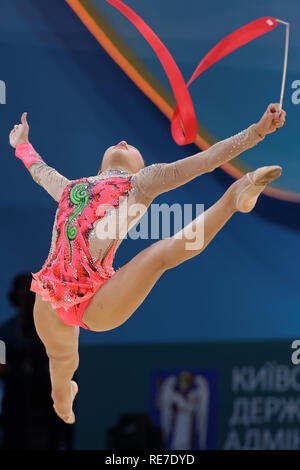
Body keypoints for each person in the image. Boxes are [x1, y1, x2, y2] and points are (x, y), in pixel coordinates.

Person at [10, 103, 285, 423]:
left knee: (157, 256)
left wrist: (258, 131)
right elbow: (39, 170)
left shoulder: (142, 182)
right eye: (118, 143)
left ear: (141, 165)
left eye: (132, 147)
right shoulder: (71, 189)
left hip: (99, 300)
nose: (124, 141)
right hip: (50, 295)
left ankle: (235, 196)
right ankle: (63, 404)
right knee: (61, 359)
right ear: (99, 167)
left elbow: (206, 161)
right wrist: (22, 144)